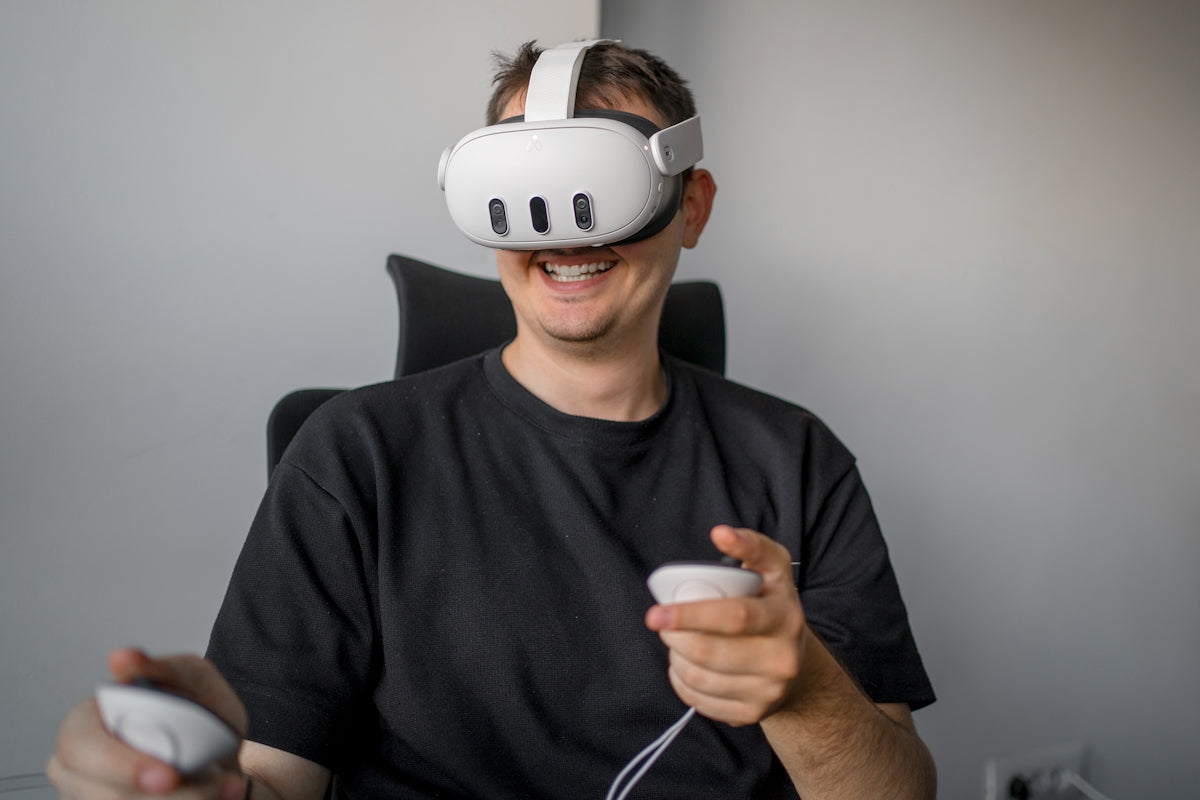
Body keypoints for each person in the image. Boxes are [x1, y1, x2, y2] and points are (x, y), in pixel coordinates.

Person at [47, 40, 936, 799]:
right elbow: (274, 776)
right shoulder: (354, 457)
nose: (565, 236)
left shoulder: (798, 460)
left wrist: (804, 692)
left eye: (601, 189)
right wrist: (197, 786)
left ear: (690, 205)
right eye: (524, 192)